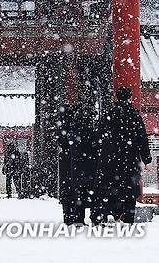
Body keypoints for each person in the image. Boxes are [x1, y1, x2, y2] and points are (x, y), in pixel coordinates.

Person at [93, 86, 152, 224]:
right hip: (129, 158)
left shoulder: (108, 113)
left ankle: (109, 213)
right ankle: (128, 216)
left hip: (109, 158)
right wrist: (147, 159)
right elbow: (142, 138)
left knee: (108, 187)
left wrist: (100, 152)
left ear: (116, 96)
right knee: (129, 189)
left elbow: (98, 136)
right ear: (130, 97)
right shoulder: (134, 114)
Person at [58, 102, 96, 225]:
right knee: (88, 191)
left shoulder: (69, 135)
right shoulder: (93, 133)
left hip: (72, 167)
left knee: (72, 192)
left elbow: (62, 141)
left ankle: (72, 216)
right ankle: (93, 217)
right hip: (89, 168)